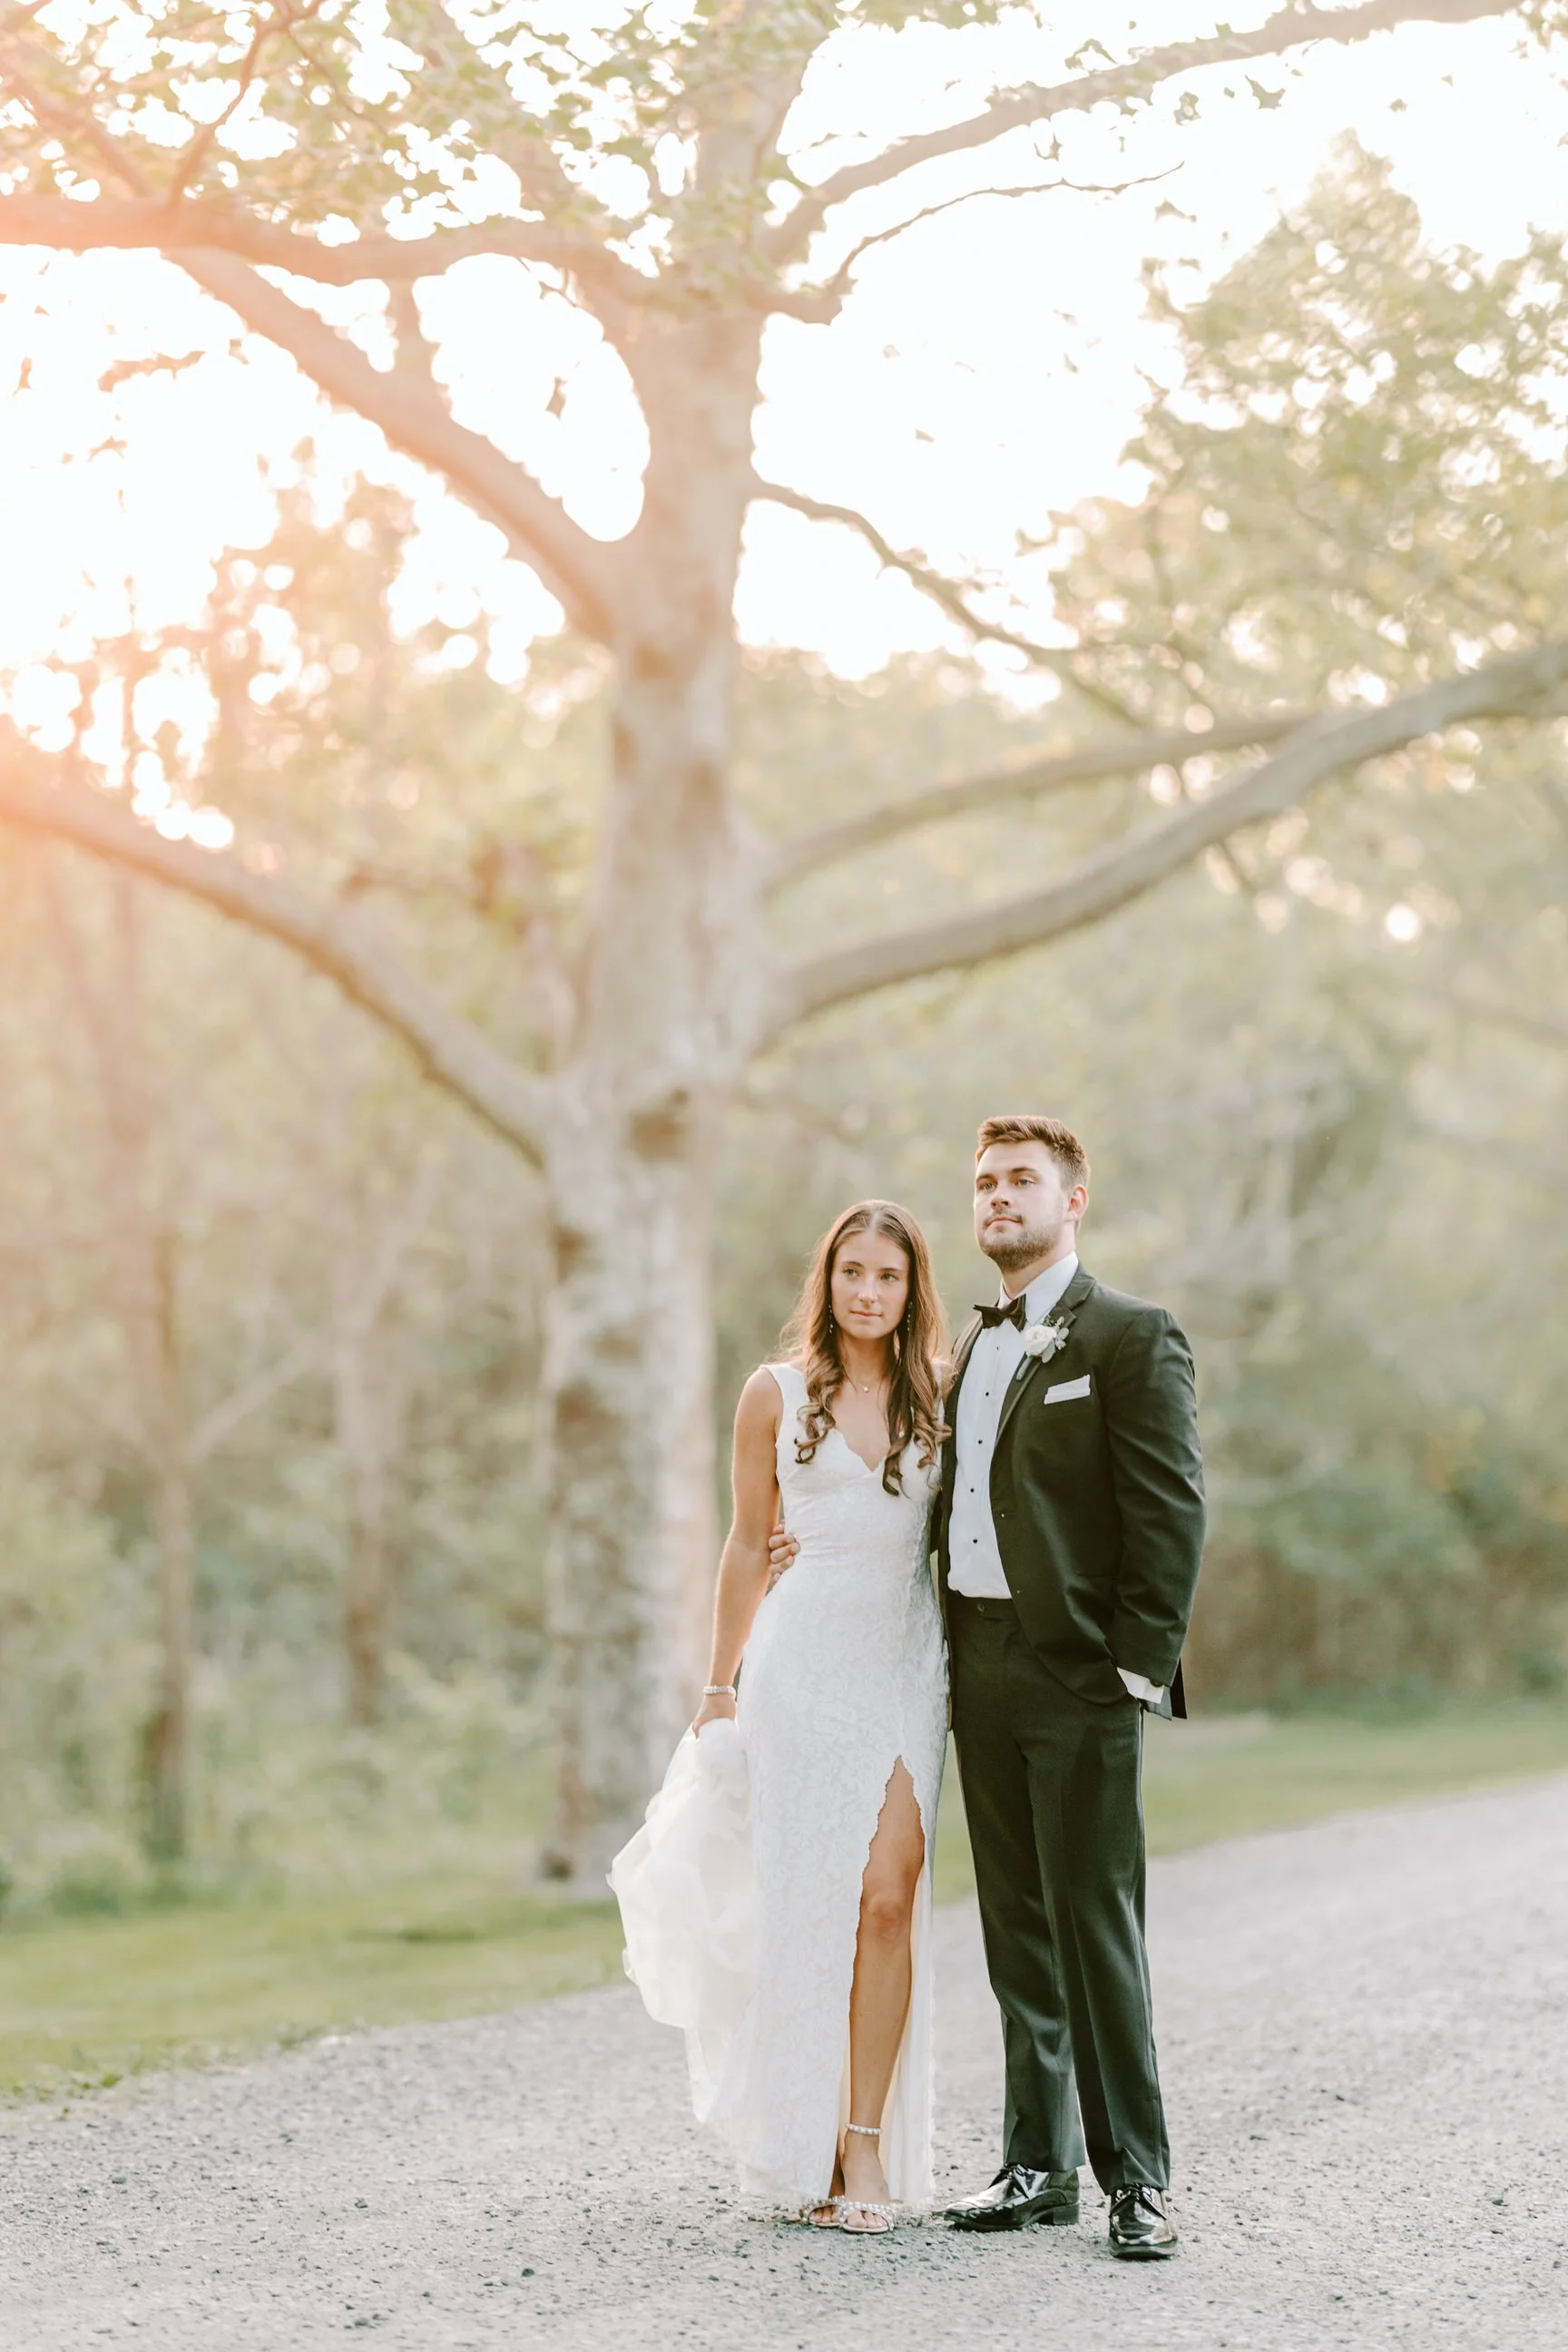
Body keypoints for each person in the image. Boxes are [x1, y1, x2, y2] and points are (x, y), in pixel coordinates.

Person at [770, 1115, 1205, 2260]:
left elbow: (1170, 1514)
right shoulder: (964, 1359)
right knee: (1015, 1927)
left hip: (1080, 1673)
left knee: (1093, 1922)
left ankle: (1137, 2180)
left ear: (1074, 1200)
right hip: (973, 1669)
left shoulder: (1129, 1337)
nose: (1000, 1197)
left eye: (1023, 1181)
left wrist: (1133, 1666)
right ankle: (1036, 2166)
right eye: (986, 1183)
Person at [611, 1201, 949, 2232]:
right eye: (852, 1271)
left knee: (888, 1896)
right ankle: (799, 2148)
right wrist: (719, 1685)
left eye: (888, 1276)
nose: (867, 1292)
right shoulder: (775, 1393)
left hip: (904, 1660)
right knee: (808, 1909)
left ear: (910, 1289)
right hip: (800, 1667)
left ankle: (865, 2148)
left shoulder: (940, 1397)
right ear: (828, 1277)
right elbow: (747, 1544)